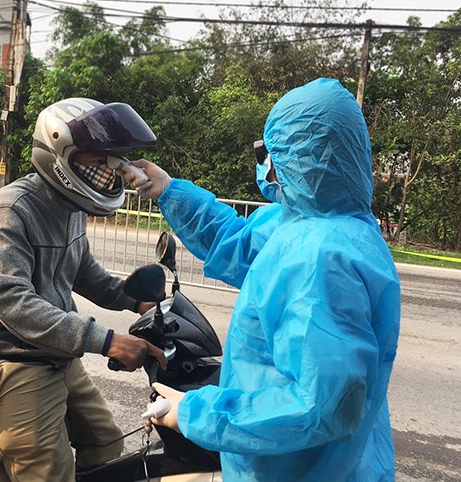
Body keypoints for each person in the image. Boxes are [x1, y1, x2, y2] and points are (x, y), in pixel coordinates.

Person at [128, 78, 401, 481]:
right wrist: (168, 189)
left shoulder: (320, 260)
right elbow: (233, 240)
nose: (264, 162)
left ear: (300, 157)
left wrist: (194, 414)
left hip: (301, 469)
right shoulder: (314, 225)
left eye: (269, 151)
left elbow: (320, 405)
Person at [0, 97, 167, 481]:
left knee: (106, 443)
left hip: (56, 353)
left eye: (112, 160)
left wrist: (136, 300)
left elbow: (84, 270)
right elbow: (14, 303)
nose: (108, 170)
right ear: (59, 155)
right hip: (14, 358)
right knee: (49, 474)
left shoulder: (67, 207)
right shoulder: (10, 211)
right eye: (96, 159)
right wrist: (106, 340)